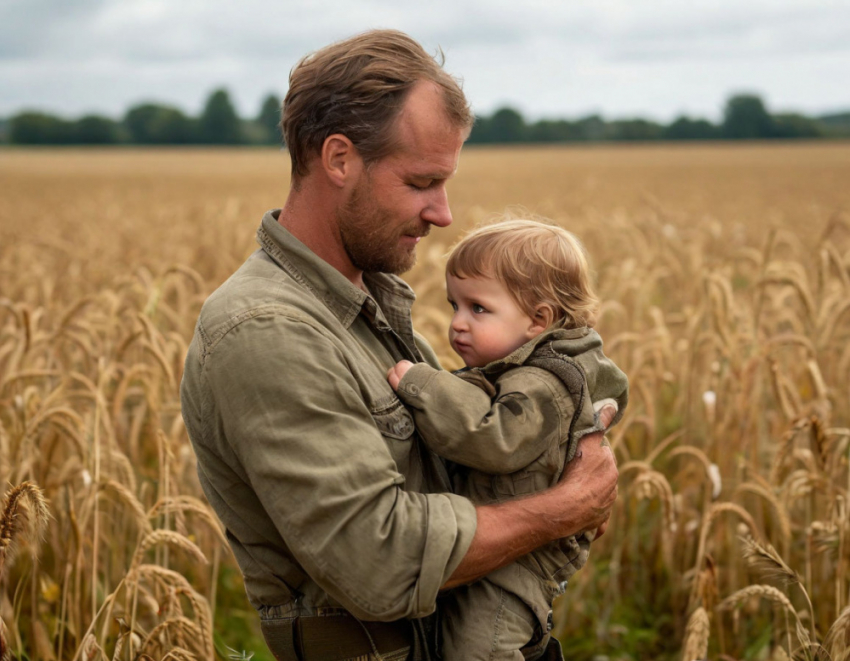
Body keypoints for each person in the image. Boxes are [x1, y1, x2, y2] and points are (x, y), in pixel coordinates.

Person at [180, 29, 619, 661]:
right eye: (421, 182)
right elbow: (379, 562)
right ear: (338, 159)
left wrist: (574, 439)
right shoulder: (266, 329)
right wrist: (565, 506)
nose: (443, 213)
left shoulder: (374, 299)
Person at [386, 219, 629, 660]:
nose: (457, 323)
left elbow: (494, 438)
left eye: (478, 309)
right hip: (509, 543)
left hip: (516, 564)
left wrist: (423, 385)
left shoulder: (541, 383)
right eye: (454, 305)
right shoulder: (532, 369)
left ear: (540, 319)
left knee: (479, 648)